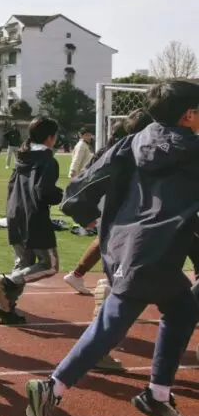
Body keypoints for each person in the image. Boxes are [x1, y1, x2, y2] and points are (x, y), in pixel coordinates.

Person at [26, 81, 199, 416]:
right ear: (189, 115)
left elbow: (81, 188)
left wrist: (85, 214)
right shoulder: (193, 151)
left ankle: (157, 394)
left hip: (126, 245)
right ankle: (52, 387)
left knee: (181, 309)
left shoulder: (131, 143)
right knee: (112, 324)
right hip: (155, 252)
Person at [61, 109, 153, 298]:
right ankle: (112, 284)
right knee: (127, 244)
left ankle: (85, 276)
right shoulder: (128, 153)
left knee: (108, 239)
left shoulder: (114, 151)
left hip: (111, 202)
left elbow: (89, 176)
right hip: (125, 205)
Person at [0, 117, 63, 325]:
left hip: (15, 212)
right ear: (50, 138)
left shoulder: (22, 156)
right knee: (50, 265)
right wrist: (62, 194)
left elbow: (11, 186)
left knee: (24, 262)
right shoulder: (48, 160)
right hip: (34, 216)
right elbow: (44, 192)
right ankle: (9, 282)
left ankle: (5, 309)